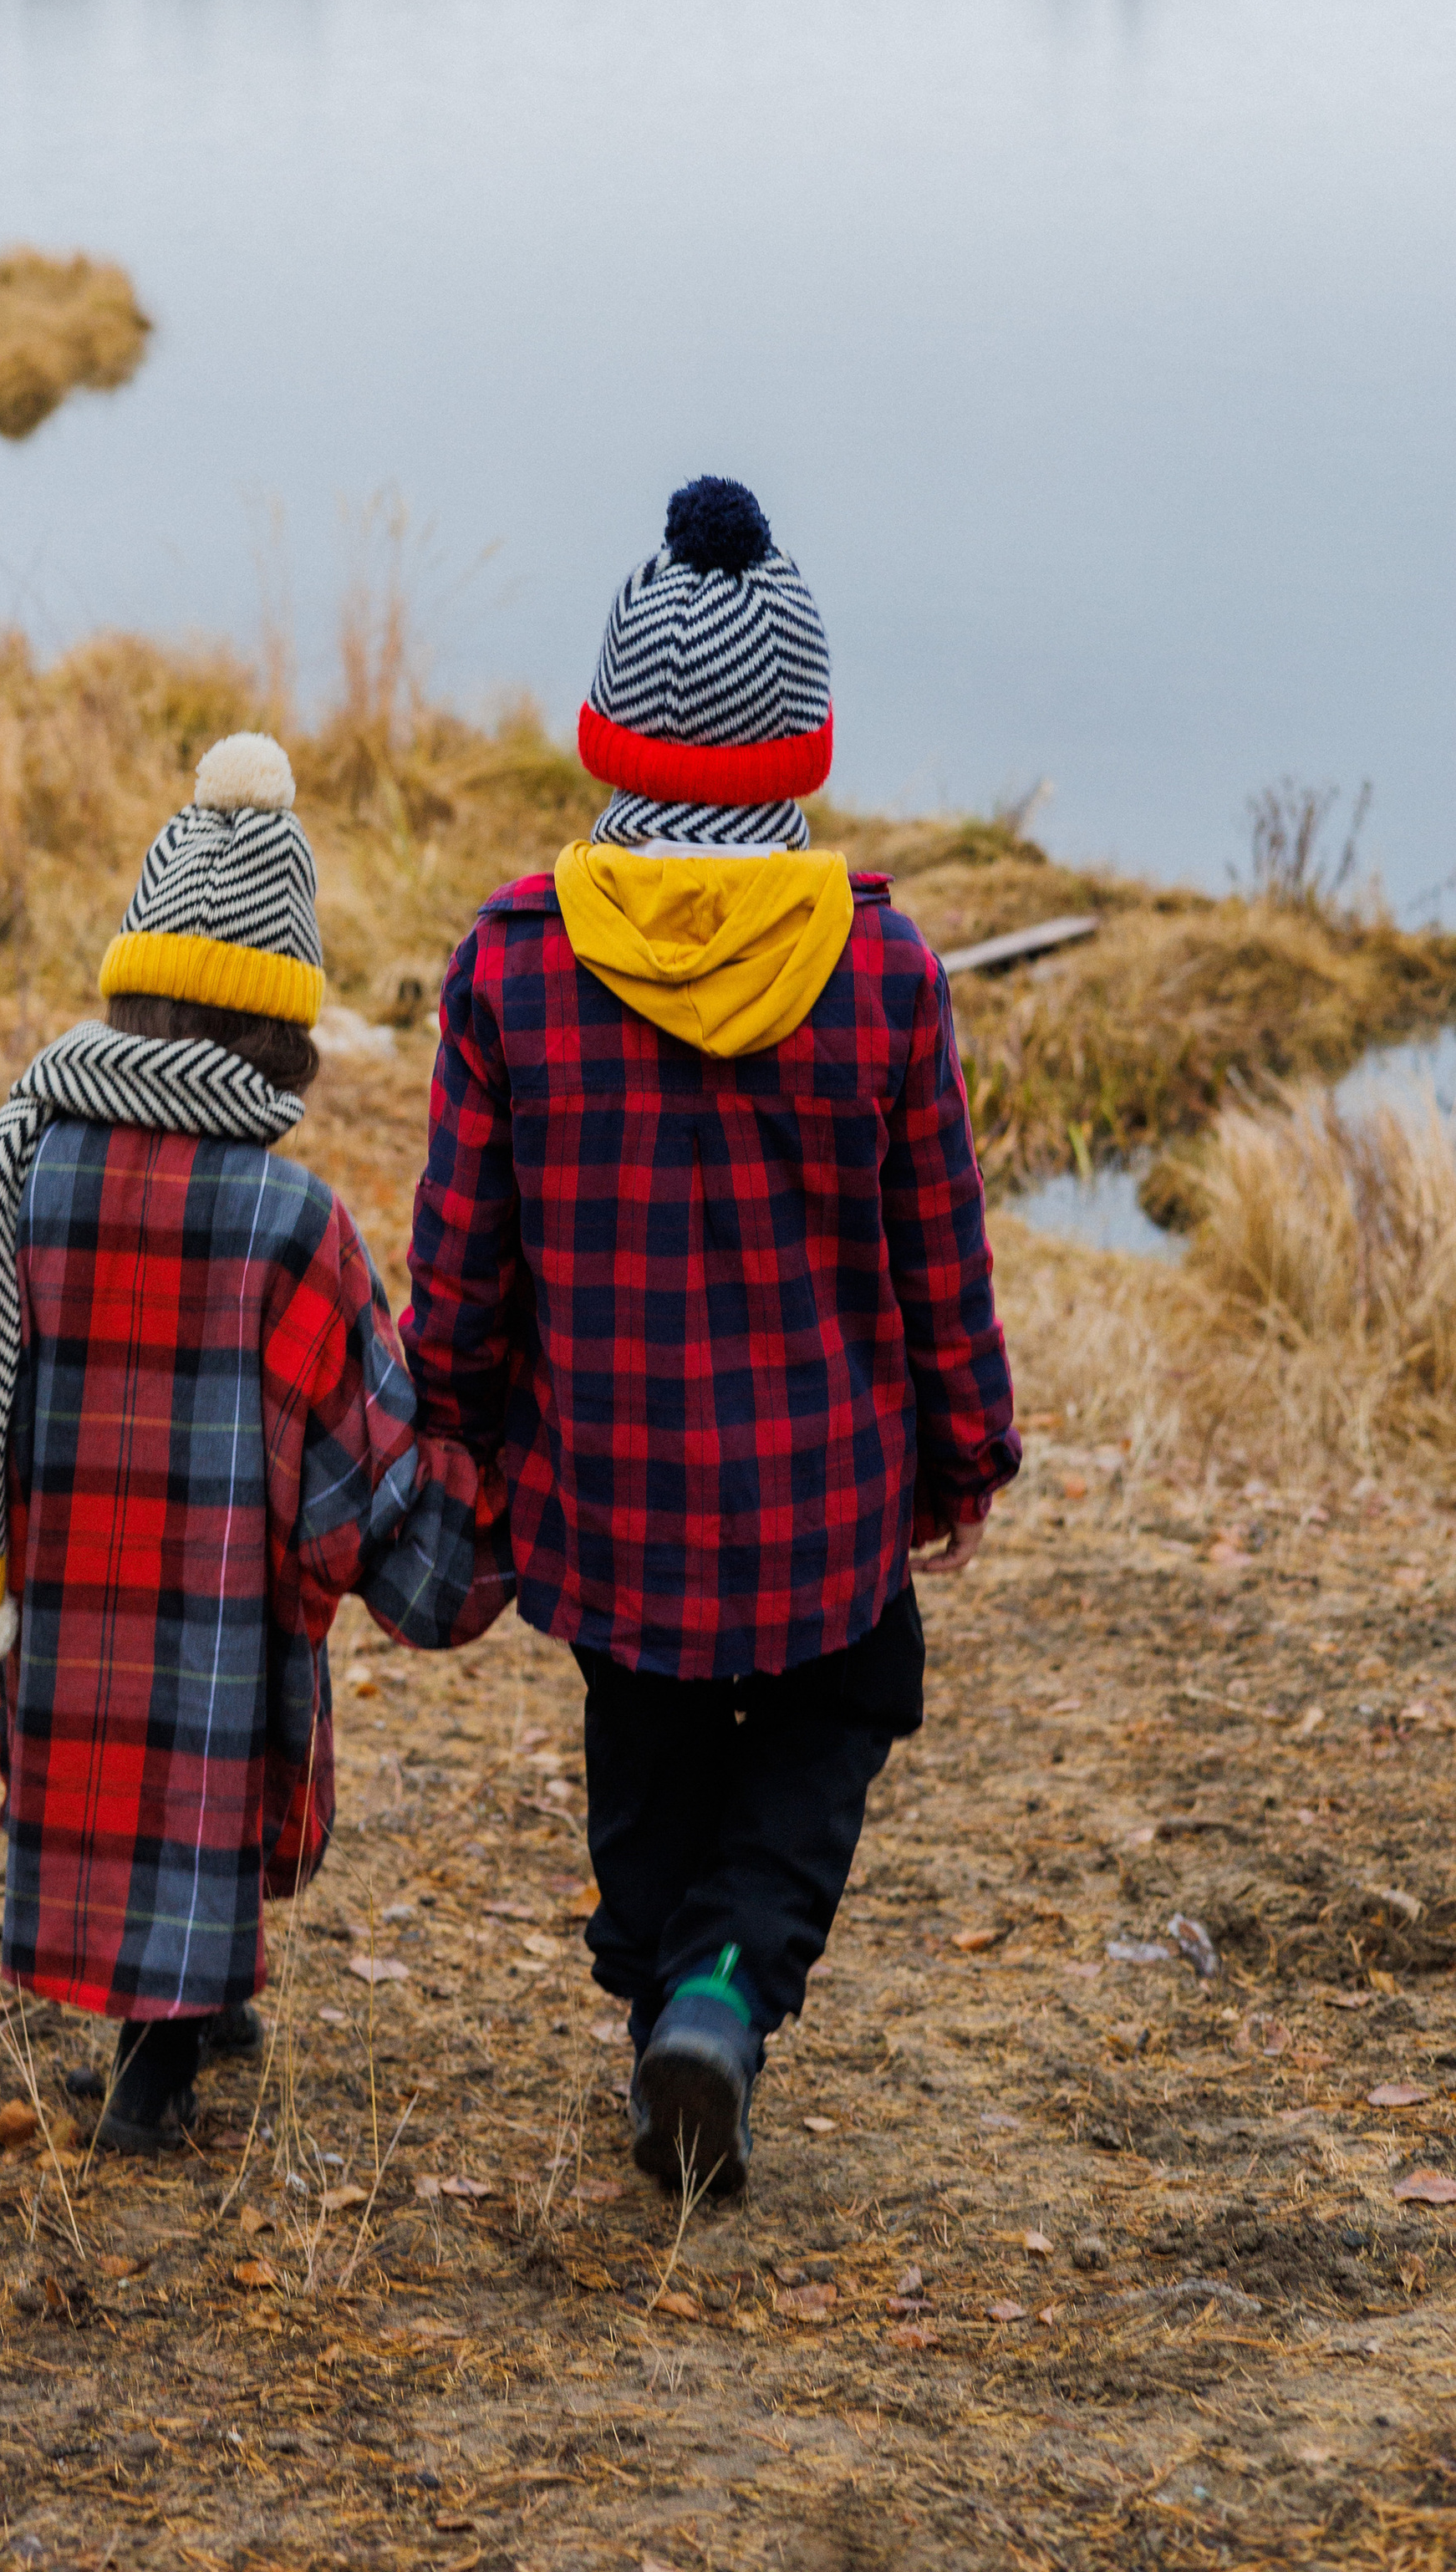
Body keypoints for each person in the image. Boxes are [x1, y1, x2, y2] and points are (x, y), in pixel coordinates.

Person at [401, 477, 1020, 2194]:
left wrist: (449, 1415)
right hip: (826, 1496)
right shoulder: (880, 972)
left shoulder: (511, 968)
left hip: (603, 1491)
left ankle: (664, 2031)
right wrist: (964, 1446)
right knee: (843, 1708)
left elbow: (459, 1255)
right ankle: (724, 2002)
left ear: (613, 735)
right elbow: (938, 1250)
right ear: (795, 745)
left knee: (646, 1749)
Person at [0, 733, 509, 2152]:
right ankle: (158, 2074)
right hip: (211, 1666)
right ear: (282, 1025)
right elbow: (360, 1490)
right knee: (205, 1726)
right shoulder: (293, 1222)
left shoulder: (21, 1163)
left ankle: (182, 2023)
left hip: (59, 1650)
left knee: (100, 1762)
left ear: (132, 985)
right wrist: (491, 1477)